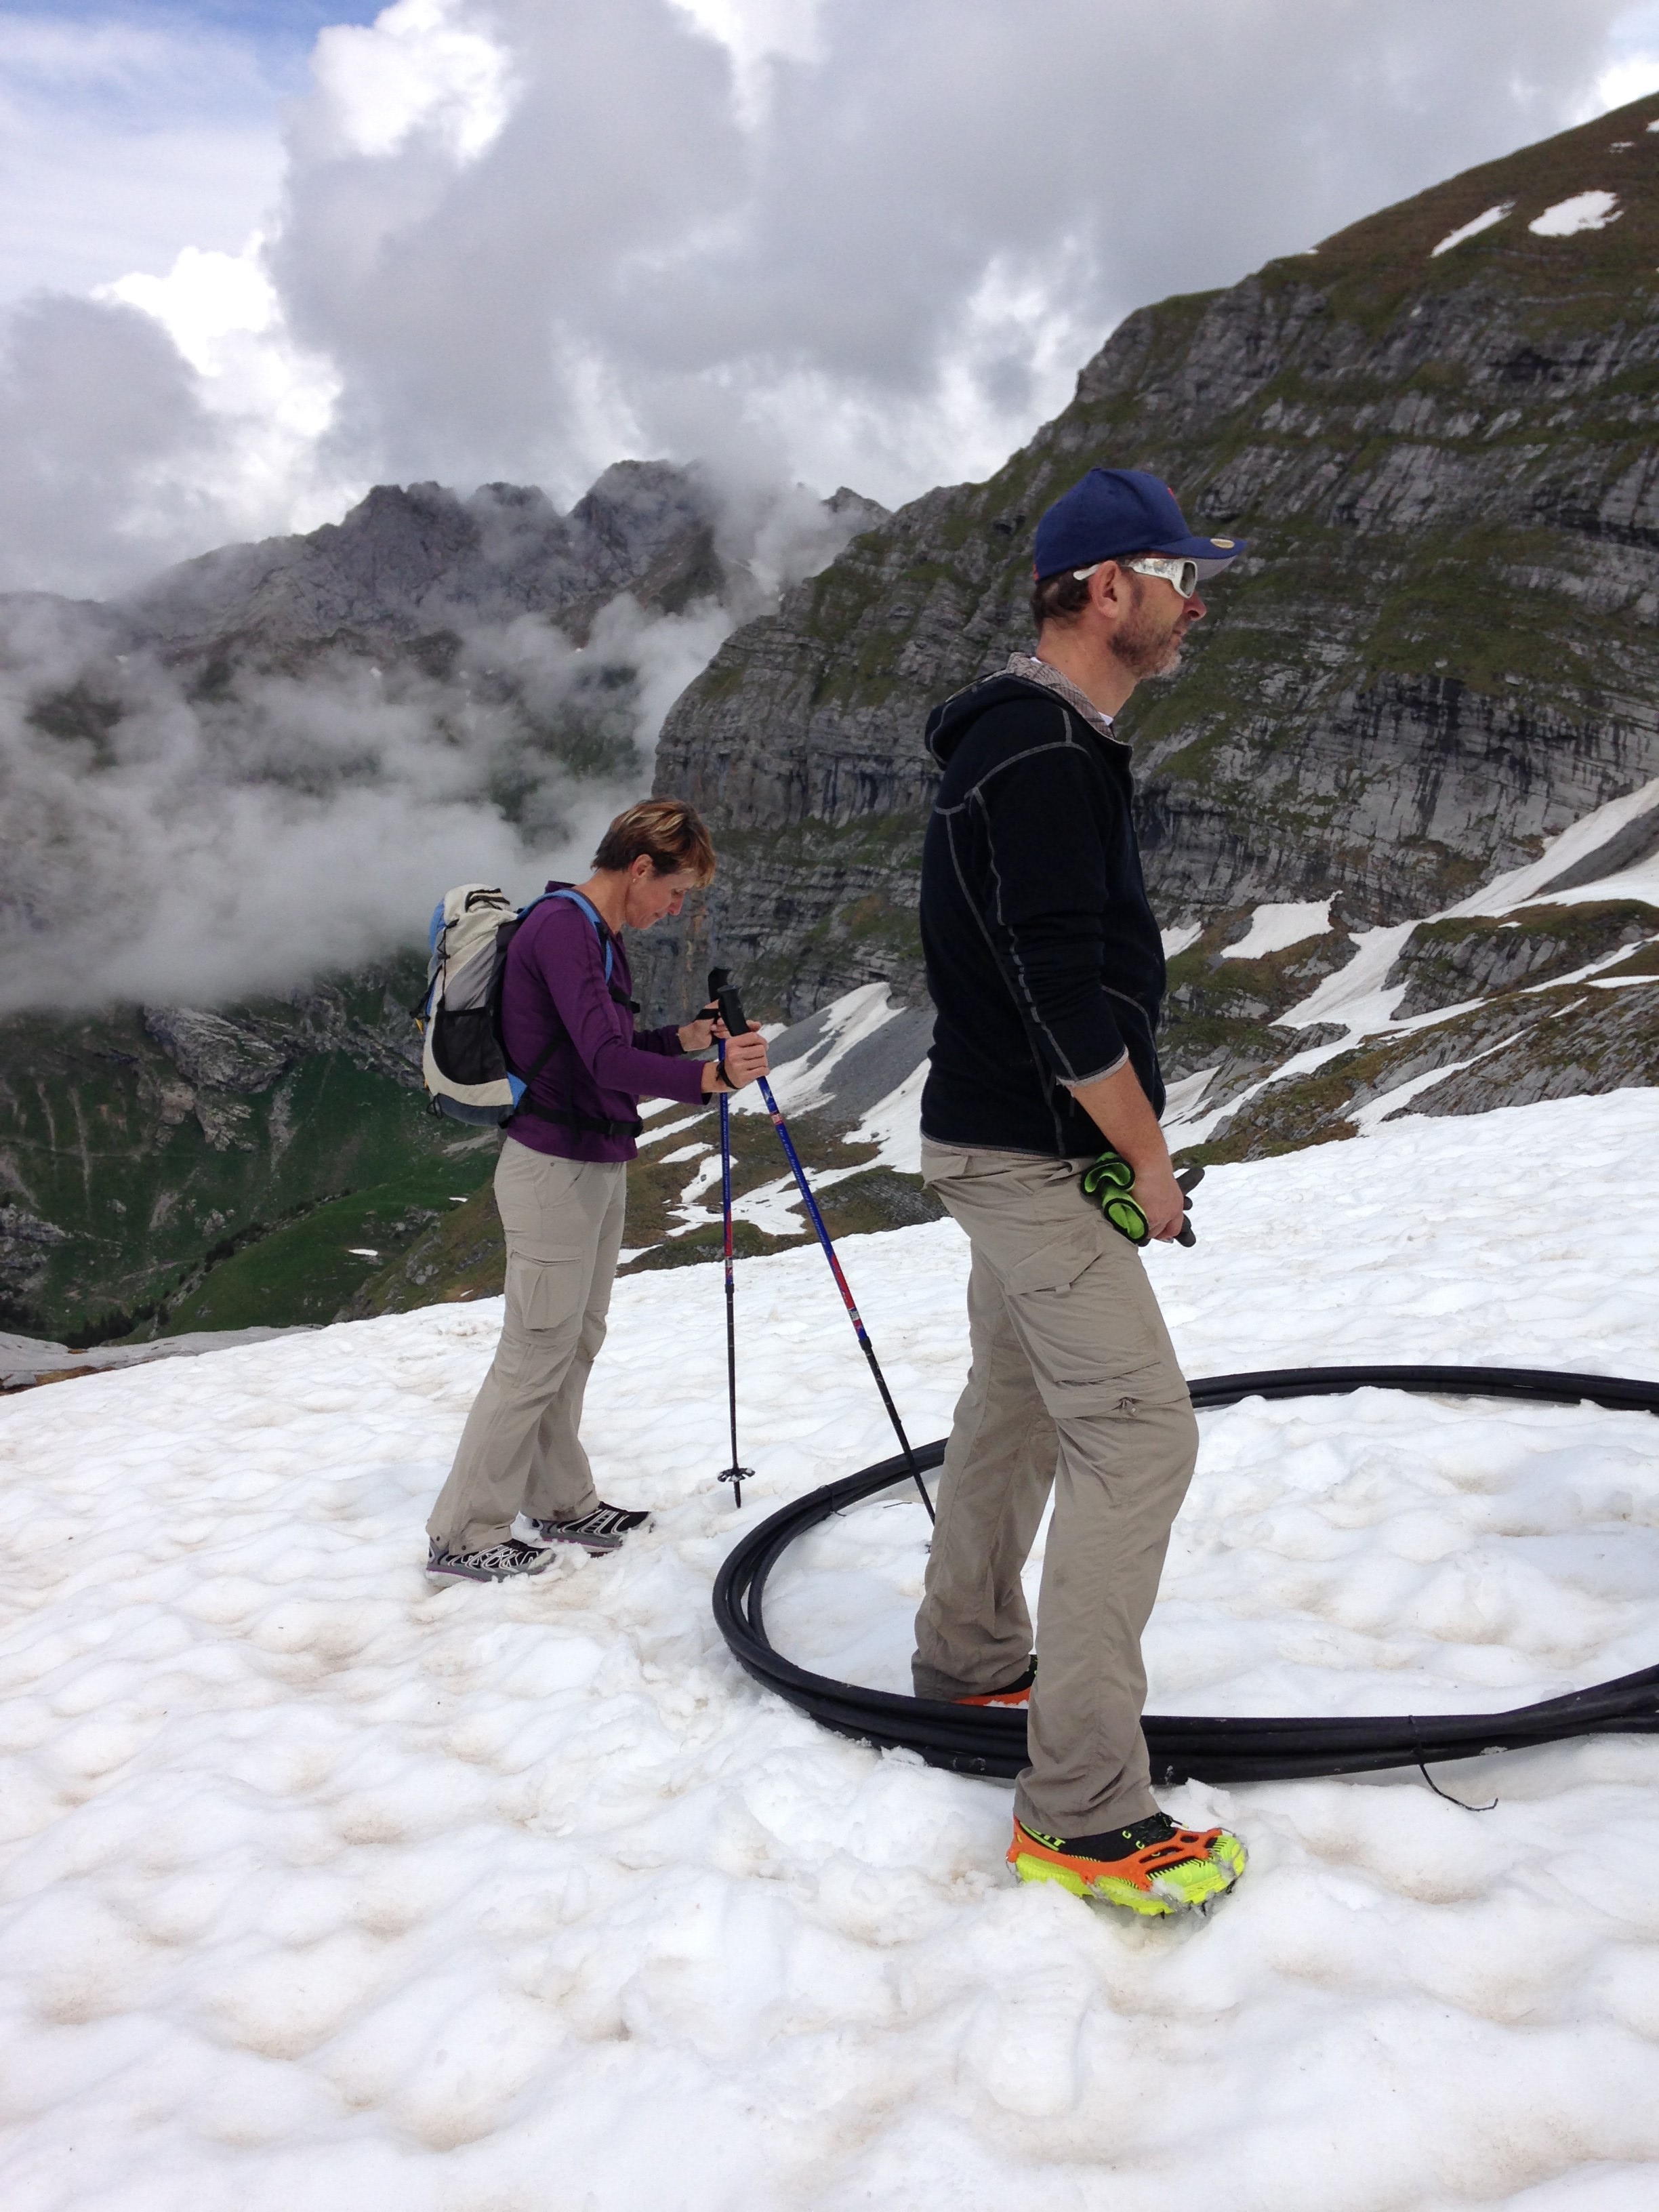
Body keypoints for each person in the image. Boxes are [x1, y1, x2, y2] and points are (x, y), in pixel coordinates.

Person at [912, 467, 1250, 1916]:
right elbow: (1063, 1000)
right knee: (1139, 1432)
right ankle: (1083, 1805)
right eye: (1182, 578)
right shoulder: (1044, 753)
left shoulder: (1026, 738)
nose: (1194, 607)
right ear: (1107, 588)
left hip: (999, 1138)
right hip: (1034, 1157)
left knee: (1017, 1399)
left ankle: (969, 1653)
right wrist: (1147, 1161)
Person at [426, 799, 769, 1583]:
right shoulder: (564, 929)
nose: (675, 910)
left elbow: (603, 1049)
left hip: (591, 1160)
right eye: (674, 892)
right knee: (534, 1351)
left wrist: (684, 1040)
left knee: (574, 1341)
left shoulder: (597, 935)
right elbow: (607, 1062)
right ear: (640, 868)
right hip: (553, 1167)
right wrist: (710, 1078)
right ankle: (463, 1534)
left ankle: (561, 1502)